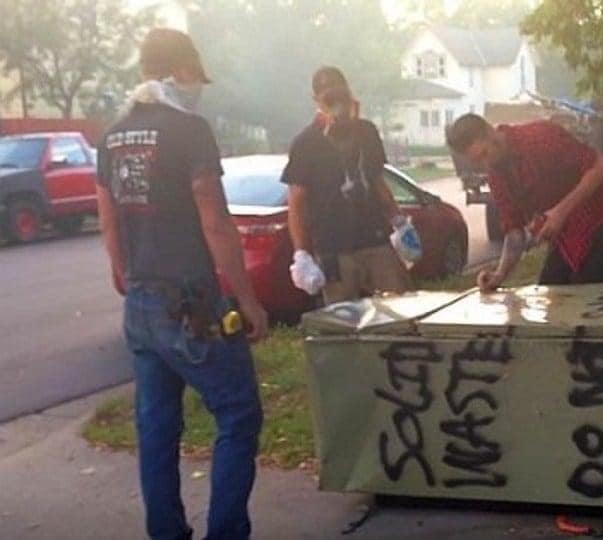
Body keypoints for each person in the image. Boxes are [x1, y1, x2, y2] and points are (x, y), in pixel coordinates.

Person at [95, 28, 266, 540]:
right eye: (198, 76)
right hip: (189, 302)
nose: (199, 86)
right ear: (184, 70)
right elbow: (214, 220)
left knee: (156, 428)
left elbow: (108, 222)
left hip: (143, 304)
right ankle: (227, 532)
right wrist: (247, 299)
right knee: (238, 412)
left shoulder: (112, 135)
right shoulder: (189, 130)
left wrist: (127, 275)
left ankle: (167, 532)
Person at [446, 113, 603, 291]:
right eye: (478, 162)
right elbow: (514, 231)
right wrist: (499, 275)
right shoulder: (496, 175)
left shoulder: (540, 136)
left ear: (489, 132)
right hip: (564, 237)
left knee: (589, 302)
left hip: (599, 220)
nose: (486, 165)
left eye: (484, 154)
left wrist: (560, 212)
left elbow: (600, 167)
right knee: (549, 298)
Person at [284, 66, 417, 304]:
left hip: (374, 237)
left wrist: (400, 222)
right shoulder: (306, 142)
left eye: (340, 95)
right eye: (329, 97)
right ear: (317, 101)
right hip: (333, 247)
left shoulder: (366, 131)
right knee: (344, 318)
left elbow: (377, 180)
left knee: (402, 301)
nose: (337, 103)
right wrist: (302, 253)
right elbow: (296, 201)